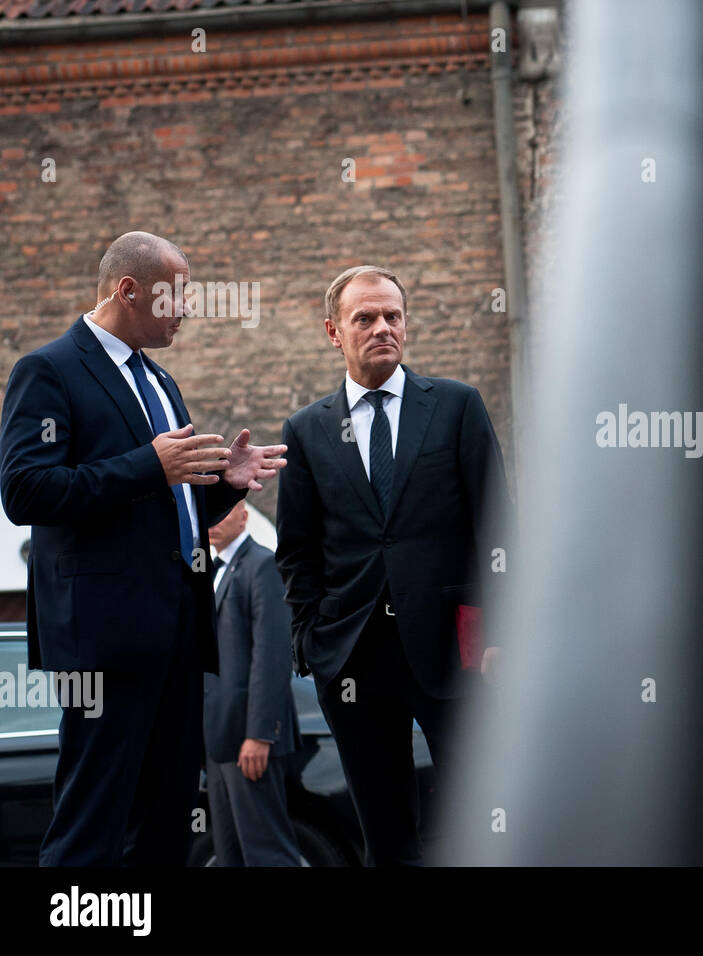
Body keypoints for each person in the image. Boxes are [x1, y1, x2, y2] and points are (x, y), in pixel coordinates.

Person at [0, 231, 287, 866]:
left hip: (179, 638)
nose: (188, 307)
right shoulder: (47, 370)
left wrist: (220, 489)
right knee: (89, 830)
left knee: (164, 829)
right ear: (129, 291)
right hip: (102, 642)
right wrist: (145, 467)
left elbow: (164, 506)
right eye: (178, 293)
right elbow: (23, 492)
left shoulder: (159, 381)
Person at [275, 264, 508, 865]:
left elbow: (498, 528)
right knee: (386, 835)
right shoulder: (306, 431)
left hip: (455, 654)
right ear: (334, 331)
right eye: (365, 318)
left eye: (393, 316)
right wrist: (310, 641)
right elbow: (298, 551)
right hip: (352, 657)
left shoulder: (457, 407)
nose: (383, 327)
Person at [204, 501, 302, 866]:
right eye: (210, 513)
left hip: (250, 739)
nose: (214, 520)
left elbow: (272, 655)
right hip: (219, 741)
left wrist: (260, 735)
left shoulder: (262, 564)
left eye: (224, 511)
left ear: (244, 516)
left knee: (267, 853)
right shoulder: (212, 570)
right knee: (231, 855)